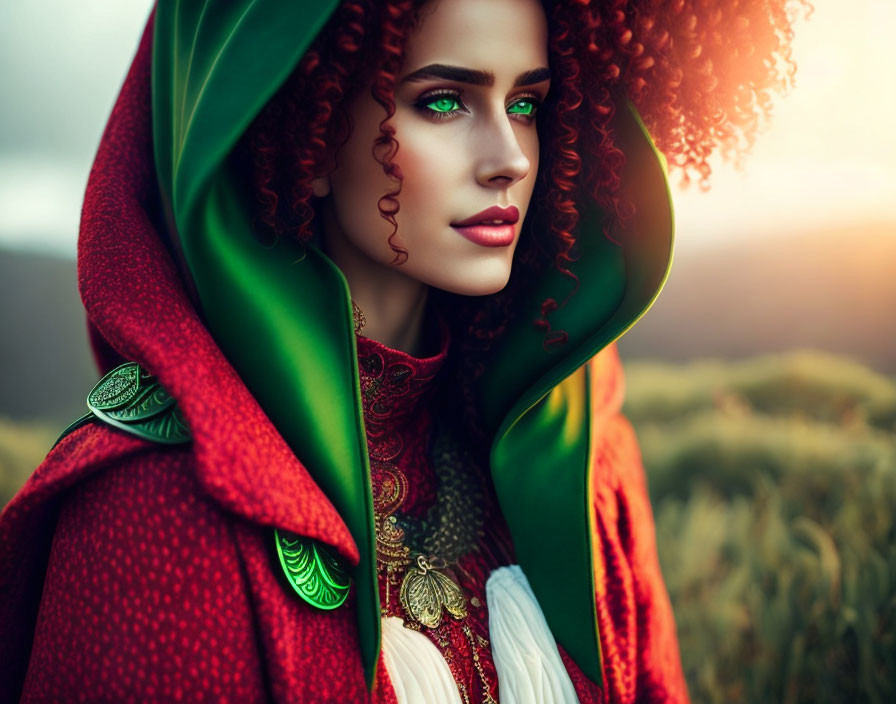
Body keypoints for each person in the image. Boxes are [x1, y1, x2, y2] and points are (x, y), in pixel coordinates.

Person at [0, 0, 804, 701]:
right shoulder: (154, 511)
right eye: (445, 100)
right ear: (300, 126)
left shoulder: (574, 447)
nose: (510, 159)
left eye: (526, 102)